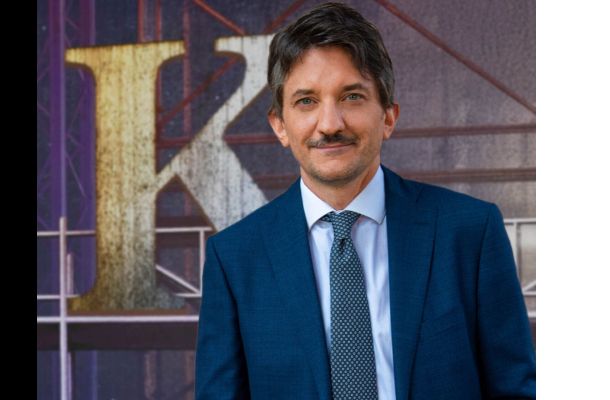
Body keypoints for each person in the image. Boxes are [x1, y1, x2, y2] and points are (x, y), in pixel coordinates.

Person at [195, 3, 535, 399]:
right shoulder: (234, 258)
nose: (330, 124)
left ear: (388, 117)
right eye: (306, 101)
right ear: (280, 126)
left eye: (352, 96)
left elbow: (514, 389)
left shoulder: (470, 233)